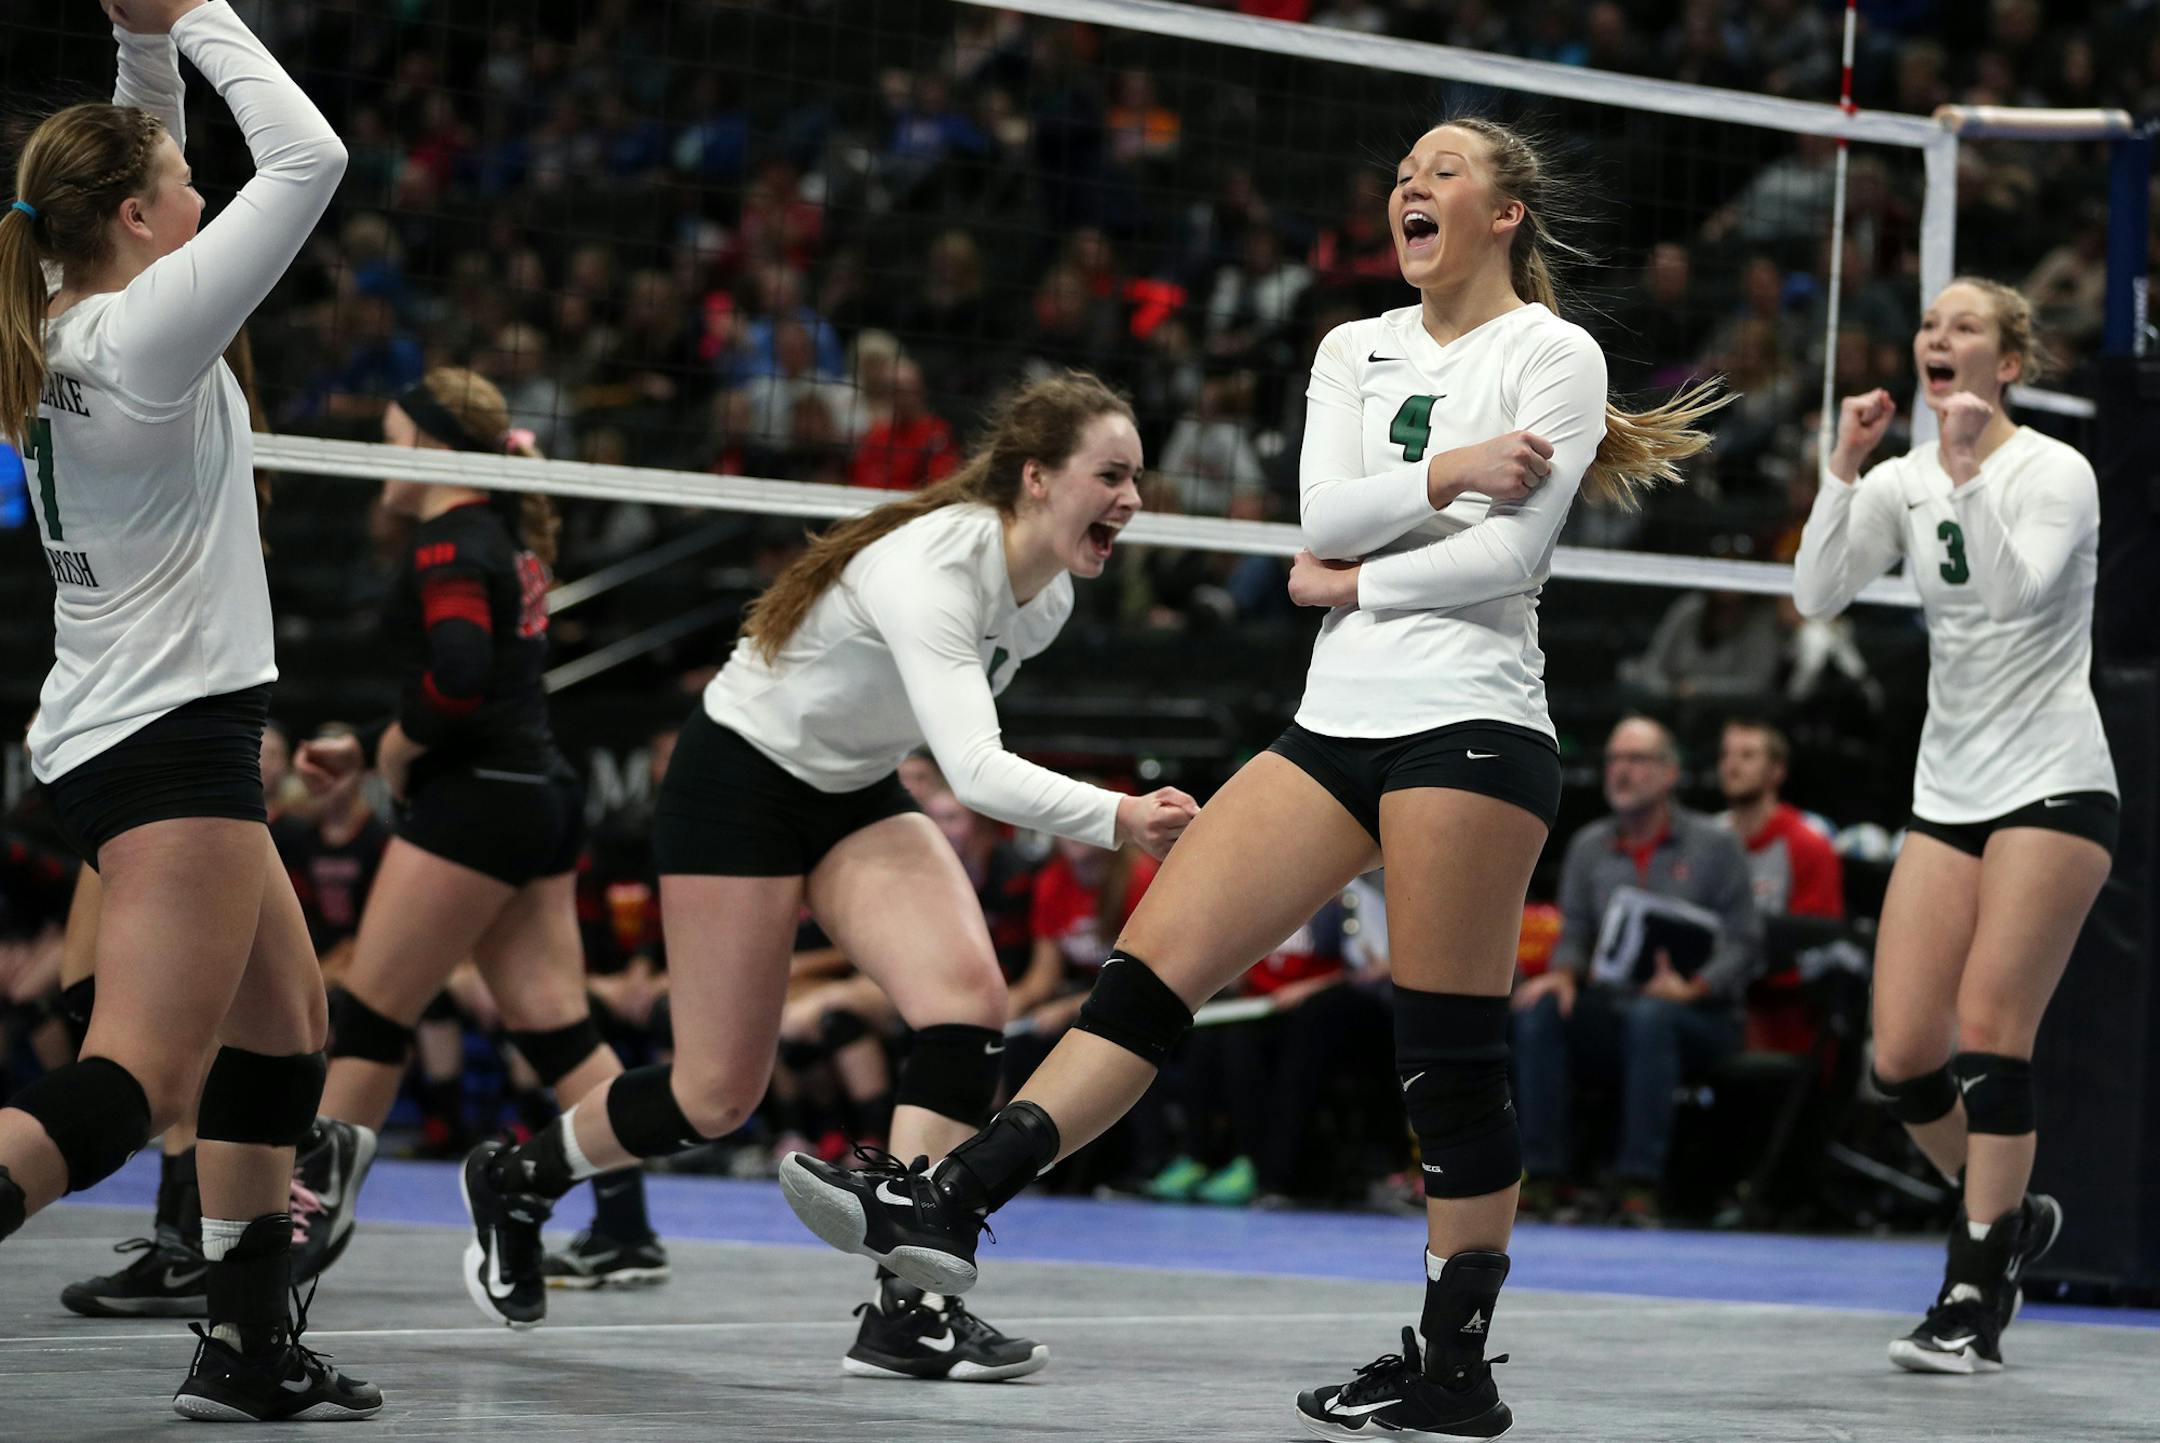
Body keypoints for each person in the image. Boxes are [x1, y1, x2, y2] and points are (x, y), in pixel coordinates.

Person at [776, 117, 1724, 1440]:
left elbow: (1505, 564)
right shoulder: (1354, 345)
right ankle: (950, 1199)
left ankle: (1454, 1363)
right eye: (1400, 169)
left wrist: (1357, 576)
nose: (1411, 183)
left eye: (1444, 170)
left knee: (1445, 1053)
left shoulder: (1551, 352)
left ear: (1505, 213)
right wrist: (1445, 476)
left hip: (1472, 720)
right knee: (1147, 975)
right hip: (1333, 719)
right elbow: (1318, 515)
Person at [463, 372, 1196, 1382]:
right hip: (740, 779)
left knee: (966, 999)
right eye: (1111, 475)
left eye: (1138, 480)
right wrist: (1119, 817)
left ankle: (912, 1307)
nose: (1131, 499)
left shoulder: (1048, 598)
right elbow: (977, 772)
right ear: (1036, 478)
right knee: (715, 1096)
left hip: (853, 788)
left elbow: (948, 745)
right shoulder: (938, 566)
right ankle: (516, 1177)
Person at [0, 0, 378, 1421]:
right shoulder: (147, 341)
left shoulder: (61, 307)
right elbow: (310, 159)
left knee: (284, 1032)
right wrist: (204, 11)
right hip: (167, 739)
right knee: (130, 1082)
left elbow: (136, 151)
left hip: (129, 721)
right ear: (145, 219)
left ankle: (246, 1339)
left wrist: (138, 41)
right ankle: (240, 1335)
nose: (202, 193)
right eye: (181, 188)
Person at [1794, 277, 2113, 1375]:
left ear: (2007, 365)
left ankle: (1972, 1294)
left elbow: (2018, 598)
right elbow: (1818, 591)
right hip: (1950, 790)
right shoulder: (1904, 477)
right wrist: (1845, 464)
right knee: (1903, 1054)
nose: (1939, 337)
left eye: (1964, 326)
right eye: (1930, 323)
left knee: (1989, 1026)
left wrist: (1973, 474)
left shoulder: (2052, 471)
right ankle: (2012, 1214)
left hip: (2056, 783)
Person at [293, 367, 667, 1294]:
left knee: (374, 1016)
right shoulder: (501, 534)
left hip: (476, 802)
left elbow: (459, 677)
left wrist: (390, 751)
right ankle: (624, 1227)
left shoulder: (448, 542)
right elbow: (482, 678)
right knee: (555, 1028)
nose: (381, 455)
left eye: (388, 435)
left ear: (428, 442)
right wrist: (375, 742)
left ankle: (302, 1217)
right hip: (535, 792)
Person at [1510, 717, 1763, 1226]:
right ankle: (1541, 1177)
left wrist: (1693, 987)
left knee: (1652, 1018)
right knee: (1539, 1009)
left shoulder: (1715, 847)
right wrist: (1562, 974)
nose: (1621, 771)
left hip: (1702, 1015)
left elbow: (1745, 942)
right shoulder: (1589, 847)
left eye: (1637, 760)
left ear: (1670, 773)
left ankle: (1637, 1185)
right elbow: (1576, 932)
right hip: (1616, 1003)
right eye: (1614, 760)